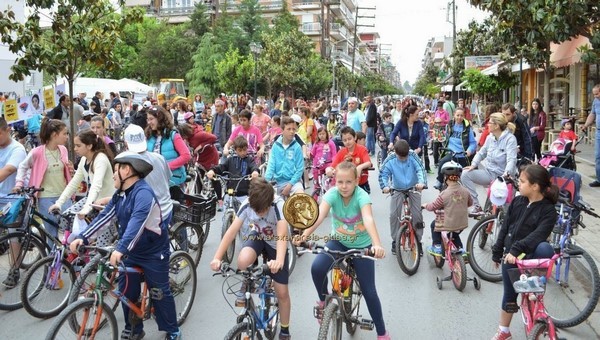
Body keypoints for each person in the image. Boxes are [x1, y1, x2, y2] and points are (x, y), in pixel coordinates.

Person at [69, 152, 182, 340]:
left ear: (127, 171)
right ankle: (134, 328)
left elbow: (136, 225)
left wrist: (121, 248)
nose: (113, 175)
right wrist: (84, 237)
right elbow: (105, 216)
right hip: (132, 250)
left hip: (153, 251)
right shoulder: (121, 194)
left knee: (160, 292)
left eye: (115, 171)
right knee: (126, 290)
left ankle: (173, 330)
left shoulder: (143, 194)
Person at [295, 161, 390, 340]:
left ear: (356, 181)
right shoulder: (331, 194)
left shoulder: (362, 196)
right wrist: (304, 235)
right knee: (317, 268)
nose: (344, 186)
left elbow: (368, 219)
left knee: (369, 291)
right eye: (340, 182)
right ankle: (323, 302)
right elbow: (319, 216)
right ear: (334, 182)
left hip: (362, 246)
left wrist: (377, 245)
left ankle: (382, 332)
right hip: (337, 241)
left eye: (348, 182)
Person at [210, 177, 292, 340]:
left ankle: (284, 330)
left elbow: (282, 235)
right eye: (255, 210)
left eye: (261, 211)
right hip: (259, 237)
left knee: (281, 292)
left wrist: (280, 261)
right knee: (242, 261)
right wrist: (217, 258)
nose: (257, 213)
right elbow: (231, 232)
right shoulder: (247, 204)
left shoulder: (278, 205)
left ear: (269, 203)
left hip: (276, 244)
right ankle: (249, 282)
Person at [490, 164, 558, 340]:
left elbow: (538, 235)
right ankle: (504, 331)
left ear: (535, 186)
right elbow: (505, 227)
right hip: (512, 258)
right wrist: (498, 251)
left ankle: (534, 292)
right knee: (510, 296)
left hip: (531, 258)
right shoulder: (517, 201)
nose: (518, 184)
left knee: (545, 247)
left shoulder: (548, 211)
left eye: (521, 181)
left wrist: (516, 249)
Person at [14, 119, 72, 243]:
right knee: (51, 234)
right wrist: (19, 183)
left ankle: (67, 259)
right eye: (65, 133)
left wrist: (70, 169)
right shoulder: (37, 152)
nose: (67, 137)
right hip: (45, 198)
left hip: (64, 196)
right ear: (54, 135)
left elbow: (66, 169)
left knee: (68, 232)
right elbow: (23, 167)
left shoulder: (63, 150)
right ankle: (52, 260)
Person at [48, 129, 114, 219]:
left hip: (105, 203)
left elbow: (96, 186)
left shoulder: (100, 159)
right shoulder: (84, 159)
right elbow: (74, 183)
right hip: (93, 200)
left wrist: (86, 208)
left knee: (89, 231)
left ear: (89, 146)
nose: (75, 149)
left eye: (78, 146)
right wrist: (59, 203)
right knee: (66, 218)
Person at [461, 113, 518, 216]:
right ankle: (477, 206)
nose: (487, 125)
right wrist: (473, 165)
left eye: (490, 123)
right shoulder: (490, 138)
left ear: (496, 126)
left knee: (506, 212)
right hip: (489, 173)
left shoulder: (510, 139)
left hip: (503, 177)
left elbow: (511, 160)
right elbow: (482, 152)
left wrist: (506, 174)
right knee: (465, 174)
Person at [379, 140, 426, 255]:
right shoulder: (390, 159)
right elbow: (383, 174)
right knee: (393, 214)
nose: (404, 159)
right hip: (397, 189)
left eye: (405, 157)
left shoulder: (413, 155)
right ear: (395, 152)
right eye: (401, 157)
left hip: (414, 187)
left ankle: (418, 240)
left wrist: (421, 183)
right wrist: (385, 187)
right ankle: (395, 239)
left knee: (417, 214)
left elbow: (420, 169)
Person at [0, 117, 27, 288]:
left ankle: (14, 269)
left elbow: (9, 170)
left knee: (14, 235)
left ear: (7, 130)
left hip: (12, 198)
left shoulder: (17, 149)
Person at [423, 161, 472, 255]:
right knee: (454, 233)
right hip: (462, 223)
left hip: (448, 224)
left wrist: (425, 205)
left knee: (434, 225)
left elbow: (433, 206)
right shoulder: (466, 191)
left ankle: (437, 246)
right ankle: (460, 249)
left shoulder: (444, 194)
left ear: (445, 178)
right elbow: (470, 203)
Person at [145, 106, 191, 187]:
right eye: (148, 119)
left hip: (173, 182)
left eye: (151, 119)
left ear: (160, 118)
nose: (149, 122)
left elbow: (186, 155)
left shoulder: (173, 135)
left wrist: (166, 167)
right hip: (156, 182)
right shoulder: (149, 137)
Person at [434, 107, 477, 190]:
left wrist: (469, 150)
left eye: (461, 115)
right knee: (442, 162)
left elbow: (473, 143)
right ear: (454, 115)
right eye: (457, 115)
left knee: (465, 175)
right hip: (451, 153)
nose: (459, 117)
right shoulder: (449, 125)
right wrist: (440, 138)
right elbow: (444, 137)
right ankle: (439, 181)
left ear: (464, 116)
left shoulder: (468, 128)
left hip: (462, 155)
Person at [207, 136, 259, 200]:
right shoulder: (230, 160)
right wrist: (212, 170)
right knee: (224, 208)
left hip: (245, 194)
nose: (242, 152)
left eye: (244, 150)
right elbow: (221, 167)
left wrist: (255, 172)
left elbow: (254, 167)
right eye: (240, 150)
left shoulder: (249, 160)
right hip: (230, 193)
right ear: (235, 150)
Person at [264, 116, 305, 197]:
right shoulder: (276, 146)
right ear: (282, 130)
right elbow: (271, 165)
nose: (292, 132)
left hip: (294, 182)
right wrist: (265, 182)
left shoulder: (297, 147)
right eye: (289, 129)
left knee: (301, 196)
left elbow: (300, 169)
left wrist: (290, 185)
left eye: (293, 129)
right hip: (278, 182)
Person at [326, 127, 372, 194]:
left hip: (361, 184)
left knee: (364, 202)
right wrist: (328, 169)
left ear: (355, 137)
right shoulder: (341, 152)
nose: (347, 142)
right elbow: (332, 166)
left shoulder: (362, 149)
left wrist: (360, 167)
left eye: (349, 139)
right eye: (345, 140)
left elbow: (368, 163)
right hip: (346, 186)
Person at [581, 83, 600, 187]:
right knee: (598, 156)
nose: (595, 96)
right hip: (598, 132)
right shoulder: (596, 101)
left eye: (596, 94)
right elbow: (592, 114)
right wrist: (585, 125)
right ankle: (599, 179)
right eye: (594, 94)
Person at [310, 127, 337, 195]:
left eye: (323, 134)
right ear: (318, 135)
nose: (321, 135)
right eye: (320, 134)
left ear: (326, 134)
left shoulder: (331, 143)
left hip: (328, 165)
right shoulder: (316, 143)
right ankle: (315, 201)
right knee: (316, 184)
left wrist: (333, 164)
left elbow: (334, 154)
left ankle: (331, 193)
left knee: (330, 180)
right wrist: (308, 155)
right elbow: (312, 154)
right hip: (317, 165)